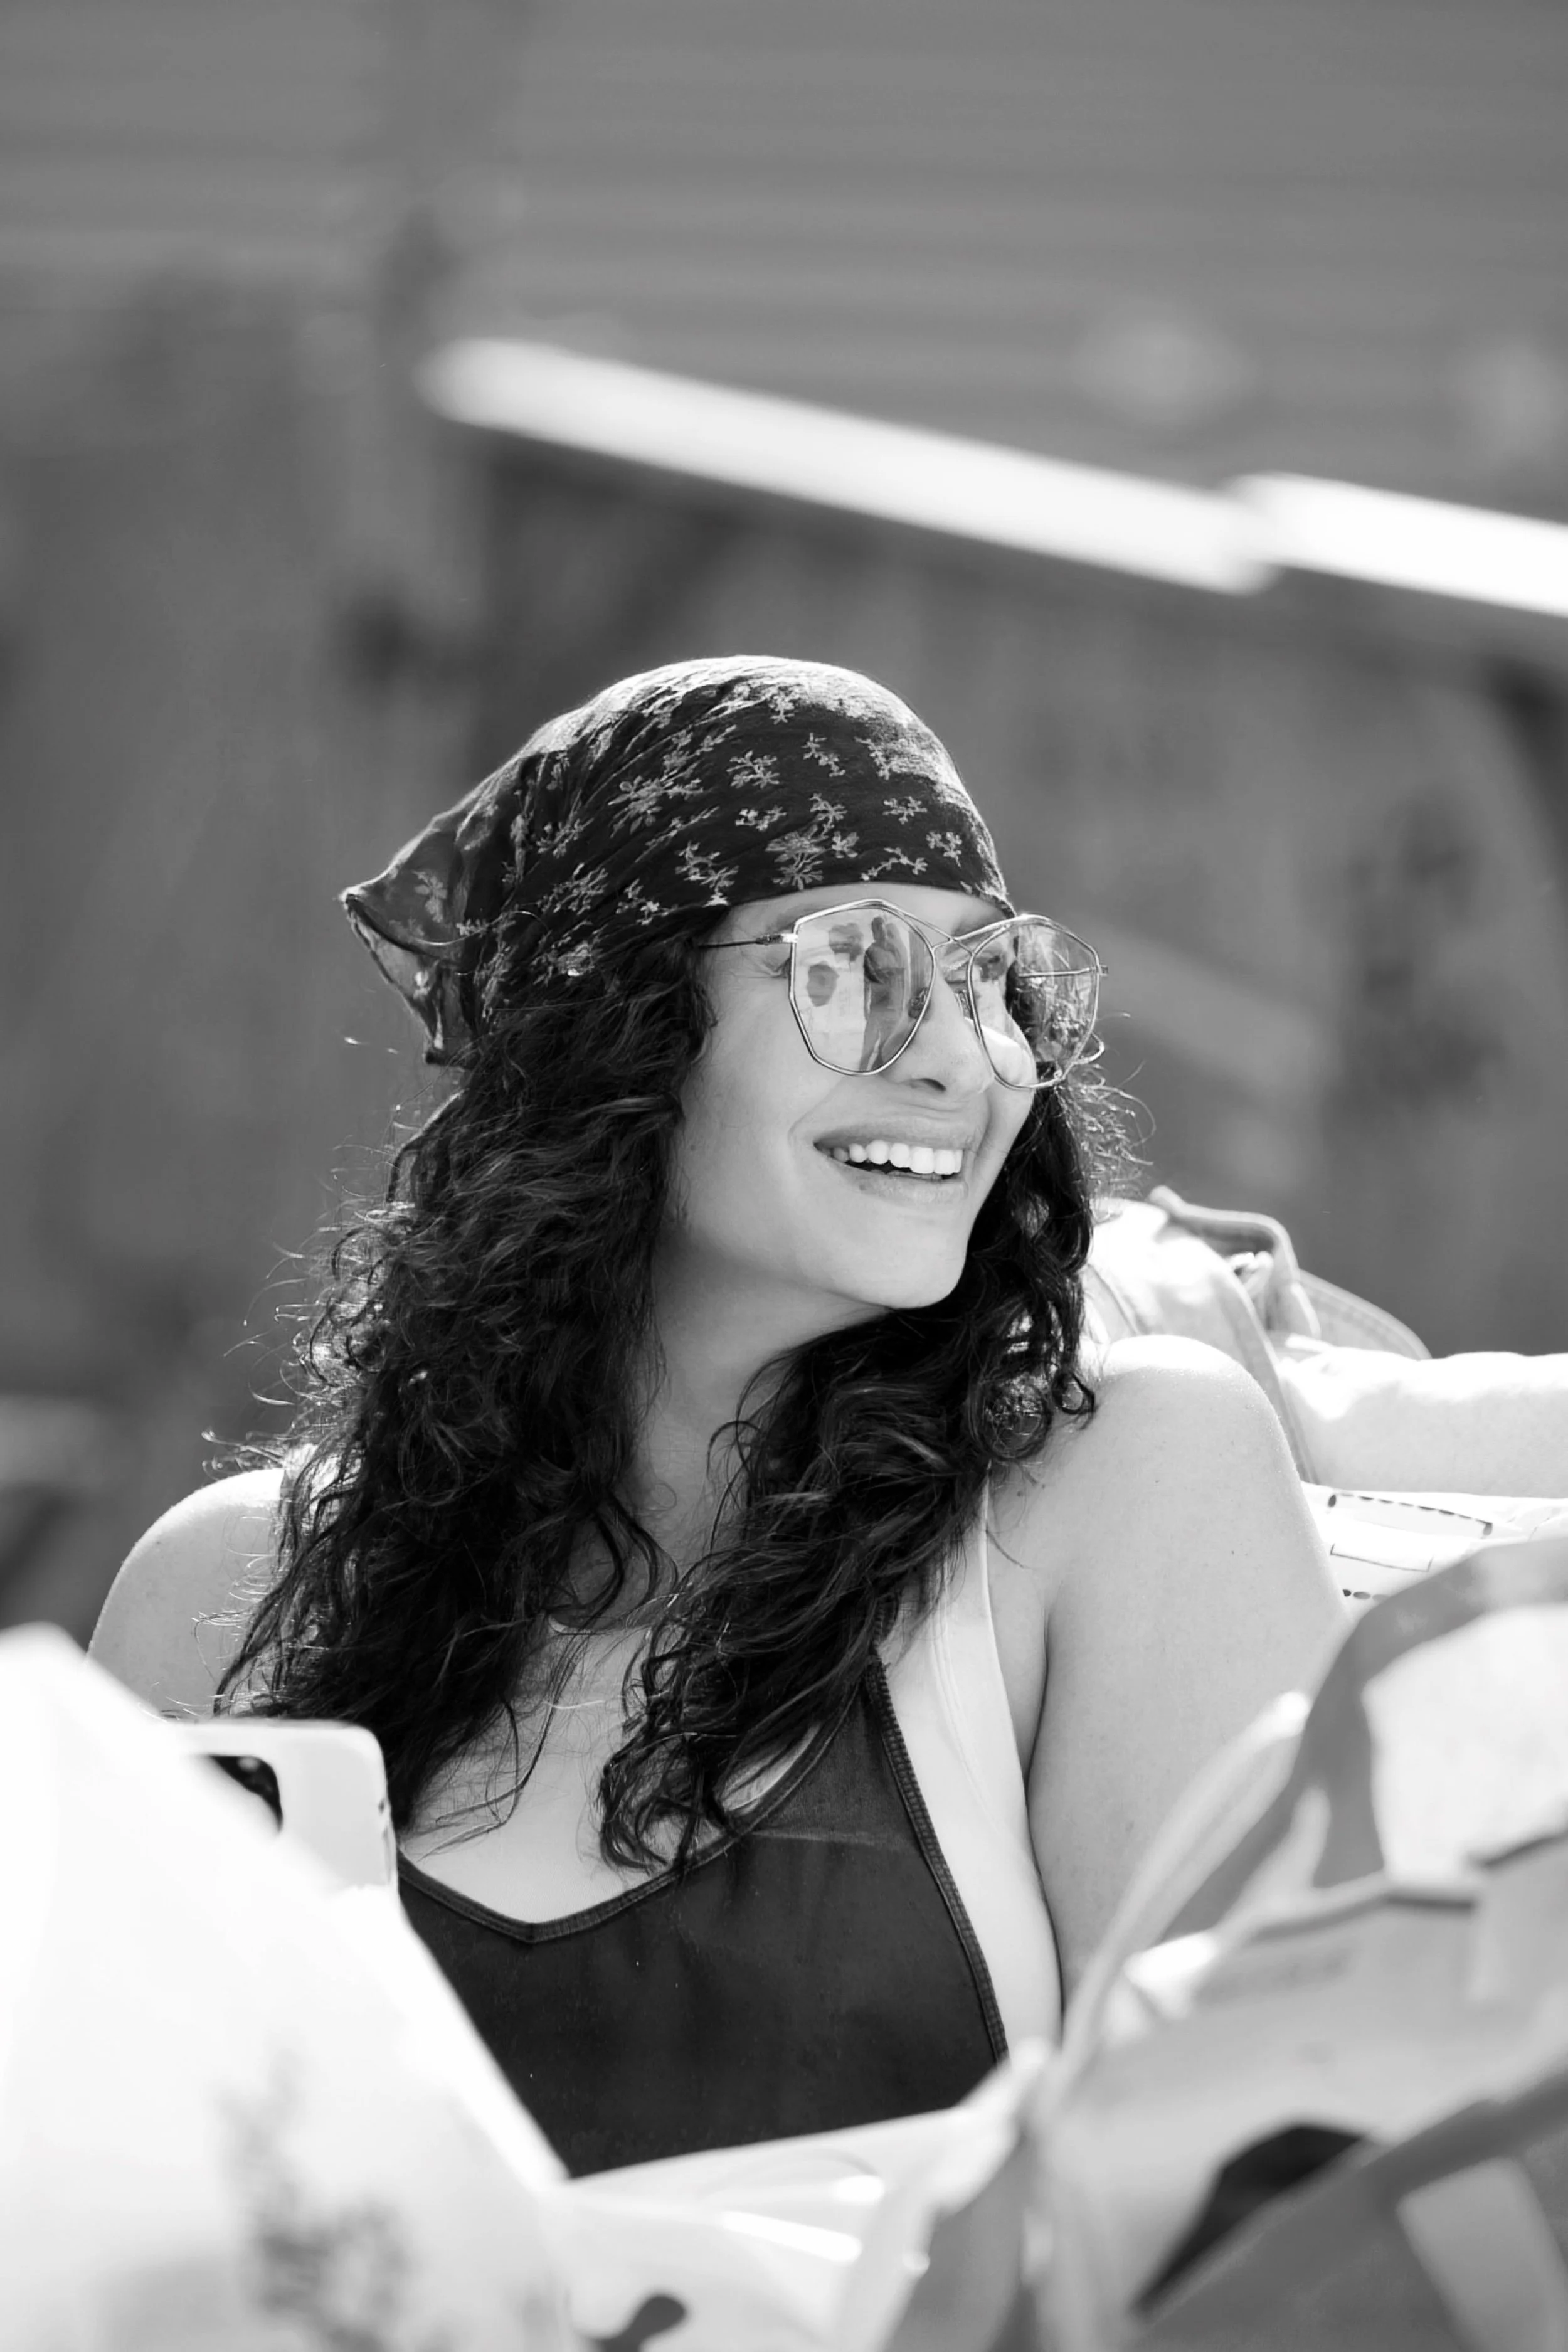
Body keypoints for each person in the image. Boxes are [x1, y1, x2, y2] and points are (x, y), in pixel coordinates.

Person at [92, 655, 1345, 2176]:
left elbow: (1261, 2223)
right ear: (610, 1029)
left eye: (987, 978)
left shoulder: (1122, 1487)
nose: (960, 1057)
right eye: (856, 968)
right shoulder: (218, 1600)